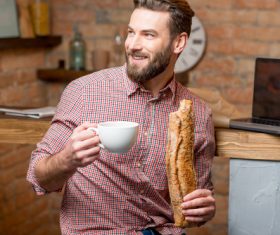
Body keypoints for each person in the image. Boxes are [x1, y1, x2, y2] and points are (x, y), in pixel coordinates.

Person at [27, 0, 216, 234]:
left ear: (179, 42)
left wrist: (203, 210)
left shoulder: (198, 112)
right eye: (130, 32)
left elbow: (194, 203)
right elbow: (39, 177)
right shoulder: (84, 91)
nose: (133, 45)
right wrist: (68, 159)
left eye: (148, 35)